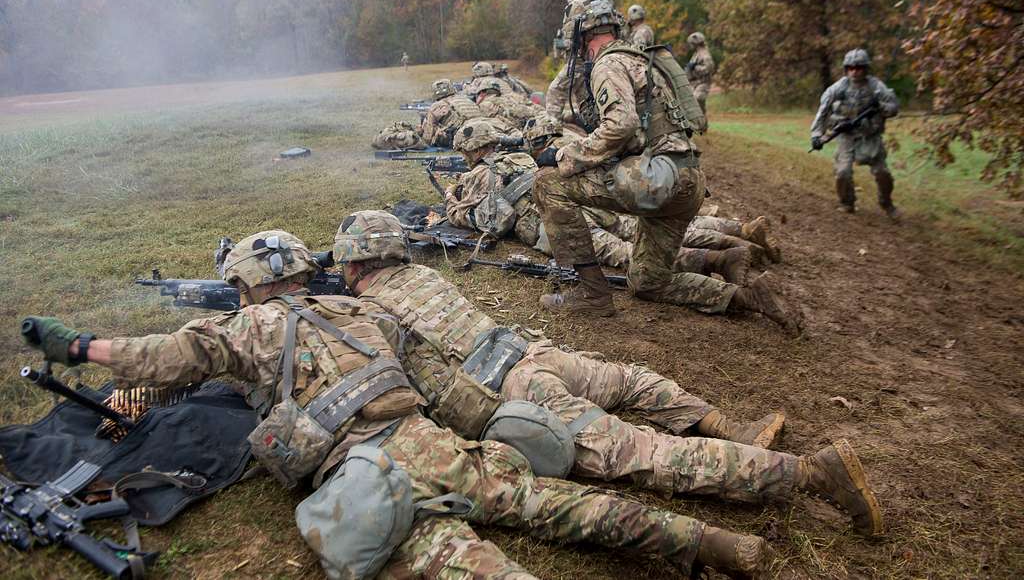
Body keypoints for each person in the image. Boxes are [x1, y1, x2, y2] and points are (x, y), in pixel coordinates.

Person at [20, 230, 777, 578]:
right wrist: (501, 425)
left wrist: (79, 346)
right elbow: (449, 388)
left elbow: (165, 358)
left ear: (250, 286)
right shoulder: (364, 313)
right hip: (430, 440)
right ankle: (710, 544)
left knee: (463, 564)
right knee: (560, 506)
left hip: (362, 479)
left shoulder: (245, 327)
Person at [334, 210, 884, 542]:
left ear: (353, 266)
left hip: (512, 388)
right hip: (534, 353)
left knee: (633, 451)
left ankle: (811, 474)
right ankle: (727, 424)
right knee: (633, 381)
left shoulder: (368, 313)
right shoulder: (424, 274)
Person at [531, 0, 799, 331]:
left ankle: (592, 293)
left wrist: (563, 155)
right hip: (688, 180)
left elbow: (621, 124)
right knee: (647, 282)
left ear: (582, 36)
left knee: (548, 182)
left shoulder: (608, 64)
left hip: (658, 179)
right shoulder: (641, 60)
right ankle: (747, 298)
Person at [445, 118, 754, 285]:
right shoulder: (522, 155)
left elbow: (490, 221)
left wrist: (451, 200)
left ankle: (715, 261)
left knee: (623, 253)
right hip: (586, 204)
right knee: (645, 231)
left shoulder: (478, 176)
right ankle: (738, 233)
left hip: (552, 220)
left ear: (472, 150)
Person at [811, 49, 901, 218]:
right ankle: (847, 202)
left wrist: (879, 106)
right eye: (851, 67)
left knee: (882, 173)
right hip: (846, 136)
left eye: (859, 67)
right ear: (846, 69)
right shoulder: (838, 88)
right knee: (843, 172)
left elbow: (894, 108)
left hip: (870, 136)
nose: (855, 71)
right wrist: (816, 135)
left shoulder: (876, 87)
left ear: (865, 69)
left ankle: (886, 202)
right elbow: (823, 111)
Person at [418, 78, 483, 148]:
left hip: (465, 134)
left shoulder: (437, 105)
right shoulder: (465, 99)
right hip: (482, 128)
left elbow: (428, 137)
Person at [472, 77, 543, 131]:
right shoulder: (513, 97)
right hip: (533, 128)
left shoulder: (484, 105)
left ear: (482, 93)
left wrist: (477, 103)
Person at [686, 32, 715, 116]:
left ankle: (702, 124)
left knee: (696, 99)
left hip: (703, 83)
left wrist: (695, 68)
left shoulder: (704, 54)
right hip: (694, 83)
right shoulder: (696, 54)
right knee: (689, 101)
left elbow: (709, 68)